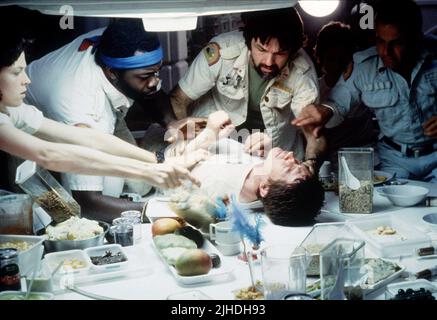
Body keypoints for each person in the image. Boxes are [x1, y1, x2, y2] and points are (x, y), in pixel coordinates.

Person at [0, 27, 202, 222]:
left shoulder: (121, 41)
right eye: (17, 72)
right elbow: (51, 156)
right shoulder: (81, 105)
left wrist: (158, 160)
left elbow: (90, 138)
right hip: (64, 111)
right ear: (112, 72)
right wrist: (156, 203)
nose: (27, 80)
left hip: (57, 106)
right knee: (51, 213)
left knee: (138, 185)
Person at [293, 0, 437, 182]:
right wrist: (324, 111)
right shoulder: (363, 67)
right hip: (394, 160)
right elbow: (338, 103)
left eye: (396, 43)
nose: (386, 52)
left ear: (416, 38)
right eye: (380, 41)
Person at [169, 7, 320, 160]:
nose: (269, 62)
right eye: (261, 49)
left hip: (275, 154)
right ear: (248, 41)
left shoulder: (302, 71)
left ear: (293, 52)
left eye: (280, 53)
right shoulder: (222, 50)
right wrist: (184, 145)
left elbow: (313, 134)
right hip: (215, 150)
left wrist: (310, 164)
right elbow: (178, 99)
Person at [166, 111, 326, 227]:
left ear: (264, 188)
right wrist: (263, 152)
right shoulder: (260, 175)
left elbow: (168, 170)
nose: (291, 155)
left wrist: (209, 133)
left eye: (289, 168)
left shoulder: (218, 183)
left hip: (166, 144)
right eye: (298, 162)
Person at [314, 21, 377, 165]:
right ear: (319, 56)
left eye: (342, 59)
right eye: (331, 59)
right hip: (328, 161)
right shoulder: (312, 90)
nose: (336, 65)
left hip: (366, 158)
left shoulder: (363, 84)